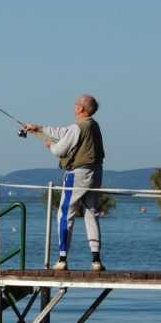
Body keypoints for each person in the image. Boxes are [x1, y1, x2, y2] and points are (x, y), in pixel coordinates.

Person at [23, 94, 105, 271]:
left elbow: (60, 151)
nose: (73, 106)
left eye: (76, 104)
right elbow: (64, 132)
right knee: (91, 213)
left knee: (65, 214)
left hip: (77, 175)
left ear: (81, 108)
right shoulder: (93, 125)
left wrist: (50, 146)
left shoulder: (78, 127)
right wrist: (39, 128)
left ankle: (62, 258)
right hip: (95, 173)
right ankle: (96, 260)